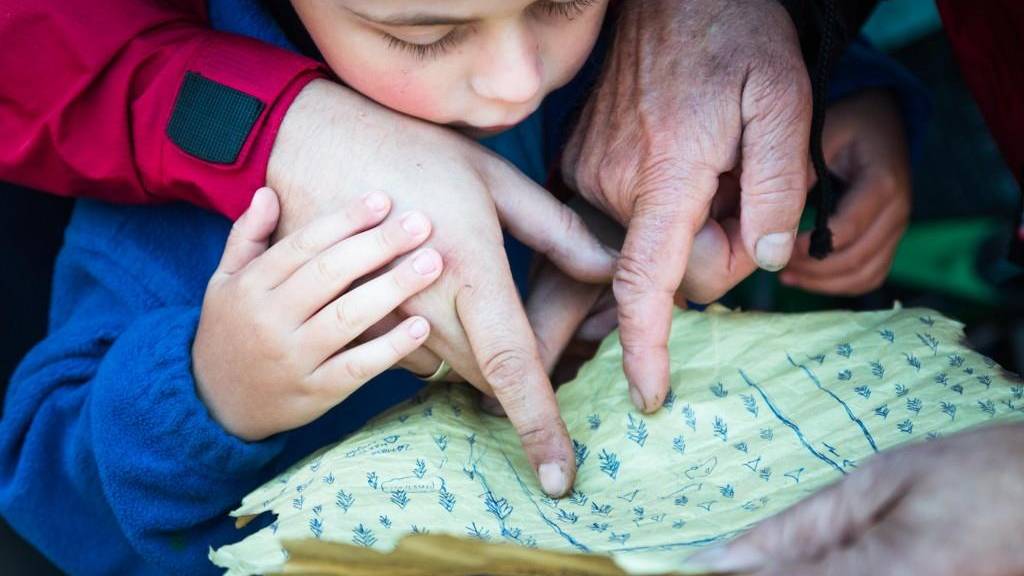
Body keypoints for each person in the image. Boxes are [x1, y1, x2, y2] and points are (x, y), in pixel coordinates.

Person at [0, 0, 880, 487]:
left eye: (561, 1)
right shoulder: (191, 224)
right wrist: (215, 391)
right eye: (424, 32)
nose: (516, 79)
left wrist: (846, 101)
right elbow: (43, 475)